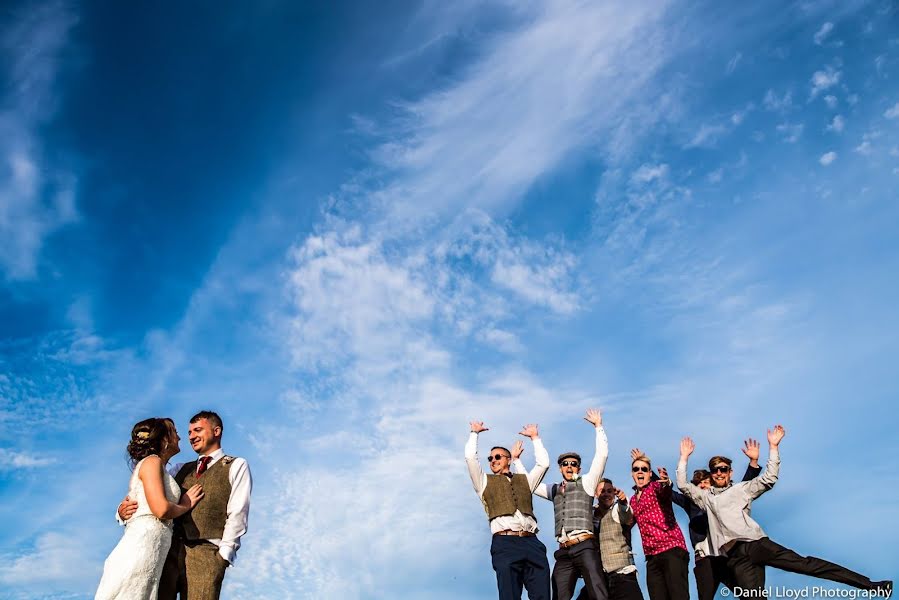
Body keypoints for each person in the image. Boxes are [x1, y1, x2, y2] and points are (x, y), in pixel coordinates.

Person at [676, 427, 892, 596]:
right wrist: (684, 457)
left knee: (806, 565)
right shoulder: (706, 498)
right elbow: (684, 485)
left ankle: (872, 586)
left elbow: (769, 478)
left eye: (723, 469)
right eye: (715, 470)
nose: (719, 473)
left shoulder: (742, 489)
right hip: (735, 558)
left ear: (730, 472)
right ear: (711, 474)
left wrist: (773, 447)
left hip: (757, 544)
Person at [118, 411, 252, 600]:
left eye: (197, 430)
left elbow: (238, 512)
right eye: (189, 432)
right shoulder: (178, 468)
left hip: (207, 554)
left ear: (216, 431)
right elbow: (148, 493)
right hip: (168, 553)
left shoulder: (236, 465)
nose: (191, 436)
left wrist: (223, 556)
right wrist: (120, 511)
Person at [96, 418, 204, 599]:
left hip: (154, 545)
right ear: (165, 439)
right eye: (174, 431)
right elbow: (160, 510)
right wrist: (185, 503)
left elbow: (137, 500)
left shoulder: (160, 467)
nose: (179, 437)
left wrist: (121, 512)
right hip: (142, 546)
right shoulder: (152, 462)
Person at [522, 409, 609, 600]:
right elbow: (530, 484)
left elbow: (601, 456)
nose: (569, 466)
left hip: (584, 545)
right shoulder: (554, 489)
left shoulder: (587, 482)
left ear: (579, 467)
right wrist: (531, 445)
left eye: (573, 463)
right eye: (565, 464)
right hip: (563, 550)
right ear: (560, 468)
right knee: (559, 595)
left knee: (598, 593)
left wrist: (598, 427)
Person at [465, 420, 551, 600]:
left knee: (542, 595)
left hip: (532, 542)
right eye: (490, 458)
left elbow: (543, 464)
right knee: (509, 595)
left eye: (498, 457)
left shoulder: (525, 481)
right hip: (505, 544)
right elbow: (471, 459)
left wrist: (535, 437)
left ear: (508, 460)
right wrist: (474, 434)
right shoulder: (483, 482)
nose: (493, 461)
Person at [670, 440, 760, 600]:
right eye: (699, 484)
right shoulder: (690, 503)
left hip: (727, 555)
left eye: (706, 482)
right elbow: (670, 492)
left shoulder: (722, 499)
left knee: (749, 595)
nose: (703, 485)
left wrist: (753, 463)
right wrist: (659, 480)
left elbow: (745, 485)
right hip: (705, 558)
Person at [629, 451, 689, 600]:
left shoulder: (656, 487)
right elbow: (628, 523)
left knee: (678, 596)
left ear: (650, 474)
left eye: (644, 469)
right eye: (636, 469)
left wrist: (667, 482)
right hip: (651, 556)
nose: (640, 472)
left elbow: (666, 490)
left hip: (671, 549)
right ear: (632, 474)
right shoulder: (632, 500)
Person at [575, 479, 645, 600]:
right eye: (602, 491)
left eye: (609, 491)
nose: (606, 494)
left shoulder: (617, 510)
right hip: (599, 579)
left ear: (614, 494)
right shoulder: (590, 514)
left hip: (622, 575)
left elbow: (626, 514)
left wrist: (623, 502)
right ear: (596, 494)